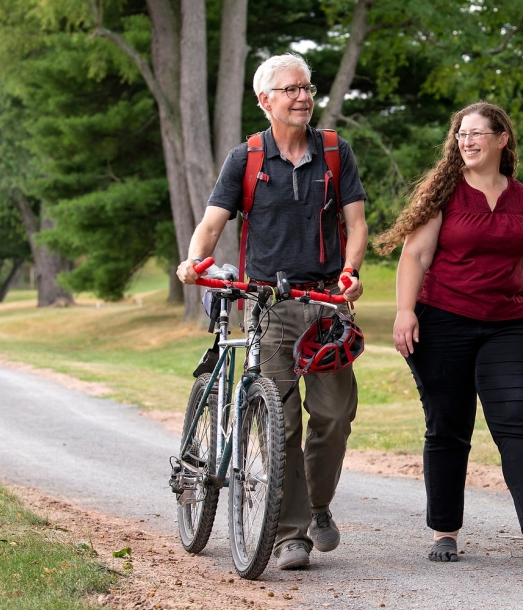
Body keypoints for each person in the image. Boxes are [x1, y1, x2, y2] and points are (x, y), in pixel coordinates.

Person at [177, 53, 368, 570]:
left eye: (306, 87)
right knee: (279, 422)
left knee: (333, 416)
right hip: (269, 305)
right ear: (266, 101)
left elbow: (356, 221)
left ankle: (318, 506)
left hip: (327, 303)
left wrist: (351, 271)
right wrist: (195, 260)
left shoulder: (334, 150)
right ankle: (290, 534)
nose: (303, 96)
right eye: (291, 89)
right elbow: (213, 224)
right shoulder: (247, 159)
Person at [374, 102, 523, 565]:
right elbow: (415, 257)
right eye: (461, 134)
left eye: (476, 133)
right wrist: (405, 311)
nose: (466, 141)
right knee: (449, 426)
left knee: (520, 421)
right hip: (442, 319)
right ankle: (444, 532)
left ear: (501, 138)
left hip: (508, 323)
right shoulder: (445, 194)